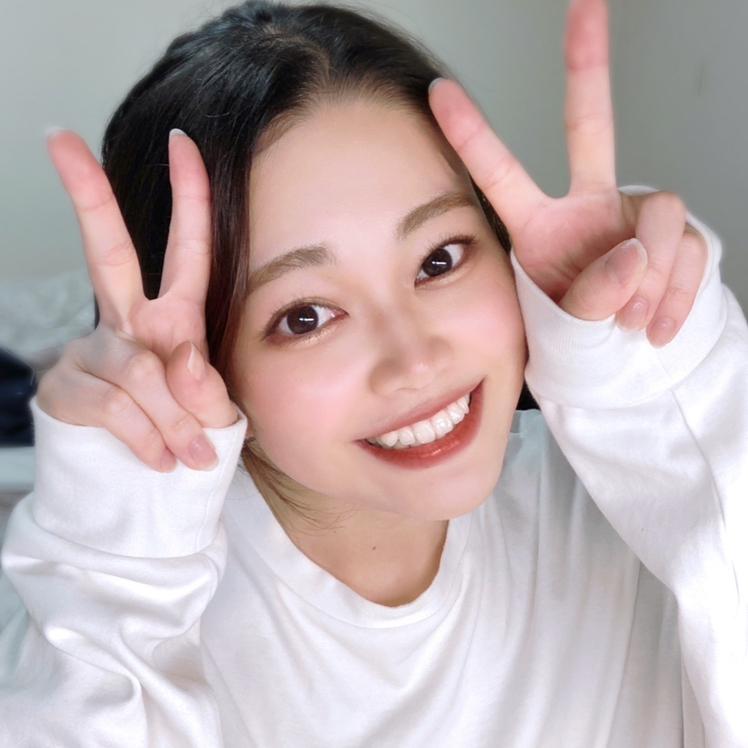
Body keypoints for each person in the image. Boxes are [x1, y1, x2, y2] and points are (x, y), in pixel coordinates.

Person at [0, 0, 746, 745]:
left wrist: (668, 387)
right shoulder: (129, 607)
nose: (415, 361)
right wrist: (115, 565)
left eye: (439, 260)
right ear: (214, 361)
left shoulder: (631, 503)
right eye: (305, 317)